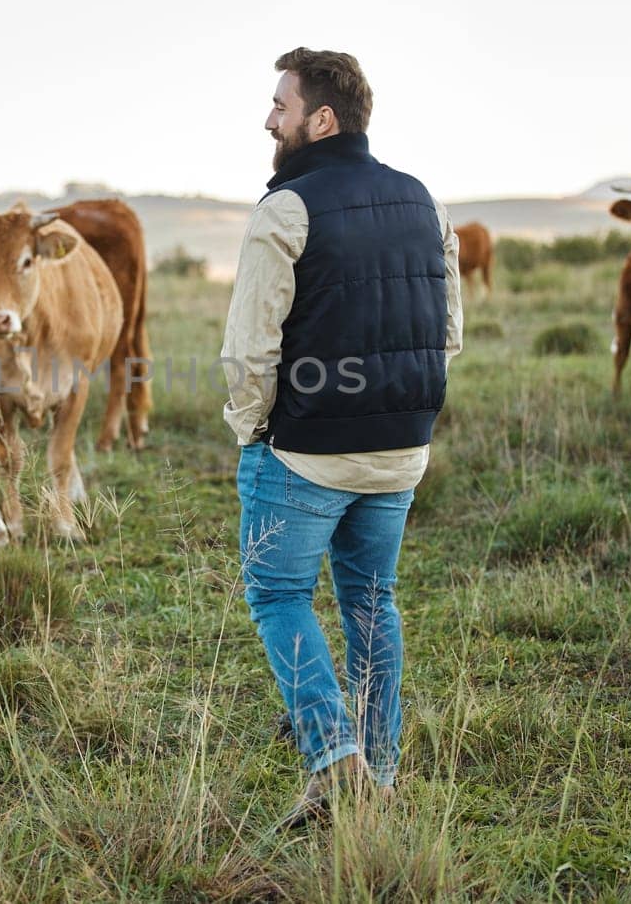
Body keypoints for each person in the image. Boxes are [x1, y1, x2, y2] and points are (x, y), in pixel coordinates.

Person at [221, 47, 462, 829]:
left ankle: (337, 759)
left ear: (321, 120)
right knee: (370, 602)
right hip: (402, 445)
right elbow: (449, 331)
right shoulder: (425, 201)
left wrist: (253, 427)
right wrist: (407, 410)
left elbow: (249, 347)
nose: (269, 118)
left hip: (302, 449)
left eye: (280, 106)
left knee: (279, 594)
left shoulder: (286, 209)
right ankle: (379, 779)